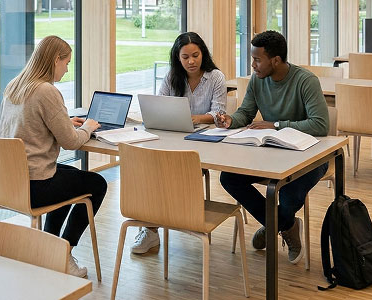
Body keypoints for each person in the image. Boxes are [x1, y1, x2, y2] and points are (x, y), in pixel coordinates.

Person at [216, 30, 329, 265]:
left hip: (310, 156)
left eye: (257, 60)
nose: (253, 65)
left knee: (288, 192)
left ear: (275, 60)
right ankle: (284, 225)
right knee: (229, 178)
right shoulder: (257, 80)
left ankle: (273, 224)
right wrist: (230, 120)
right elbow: (246, 112)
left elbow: (320, 125)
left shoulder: (306, 81)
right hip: (271, 153)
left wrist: (276, 125)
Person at [0, 35, 106, 279]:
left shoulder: (16, 84)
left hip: (9, 181)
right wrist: (88, 127)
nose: (67, 69)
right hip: (34, 186)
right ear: (56, 59)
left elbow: (30, 122)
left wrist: (64, 122)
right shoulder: (46, 91)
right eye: (66, 63)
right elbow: (71, 142)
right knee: (97, 184)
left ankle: (49, 249)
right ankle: (63, 251)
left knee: (70, 180)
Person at [131, 31, 227, 255]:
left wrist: (196, 118)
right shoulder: (172, 77)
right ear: (177, 57)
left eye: (195, 55)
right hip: (172, 139)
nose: (191, 61)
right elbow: (158, 105)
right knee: (149, 168)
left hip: (203, 143)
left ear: (203, 54)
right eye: (185, 57)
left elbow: (219, 112)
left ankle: (163, 223)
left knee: (165, 172)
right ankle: (150, 230)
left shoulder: (216, 77)